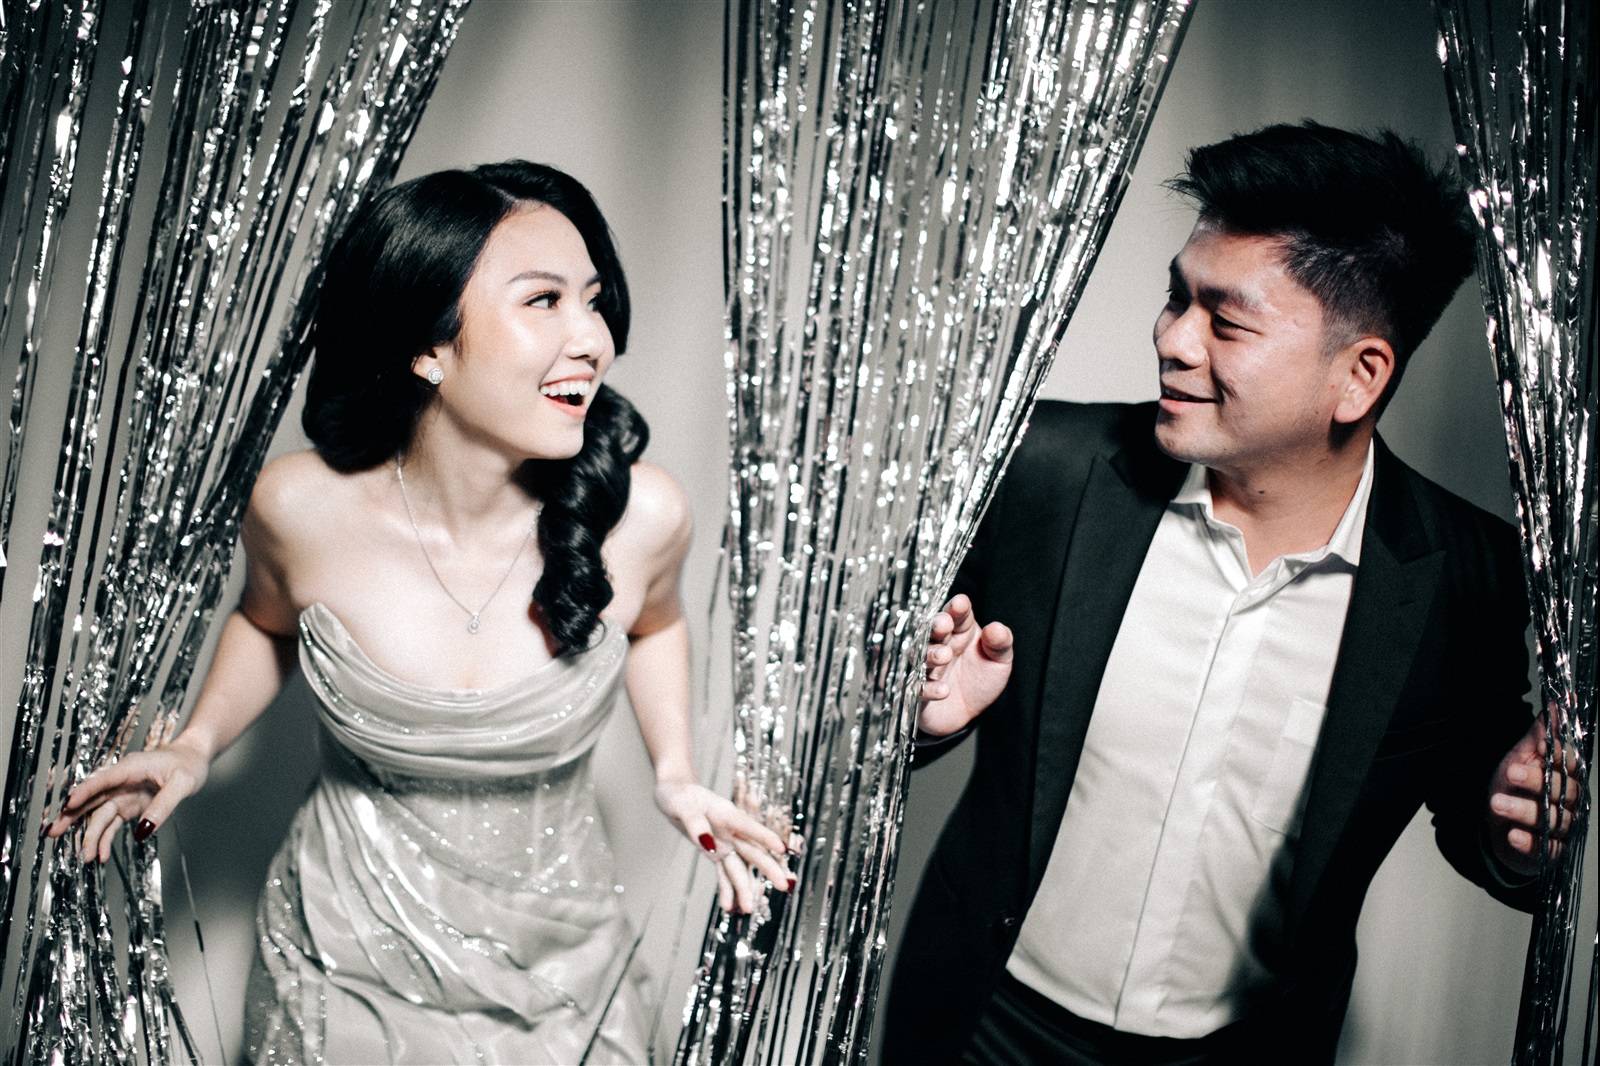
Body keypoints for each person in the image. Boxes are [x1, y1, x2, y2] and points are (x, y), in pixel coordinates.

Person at [47, 161, 795, 1064]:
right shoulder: (300, 509)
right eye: (544, 301)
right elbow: (265, 619)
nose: (593, 340)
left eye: (593, 302)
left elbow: (657, 622)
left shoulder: (641, 517)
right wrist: (195, 745)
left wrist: (675, 772)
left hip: (562, 973)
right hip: (340, 966)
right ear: (427, 347)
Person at [885, 123, 1581, 1065]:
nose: (1173, 339)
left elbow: (1478, 812)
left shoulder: (1464, 575)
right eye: (1178, 296)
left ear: (1359, 376)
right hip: (988, 1022)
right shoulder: (1044, 470)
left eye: (1227, 320)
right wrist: (919, 714)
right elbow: (898, 703)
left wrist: (1513, 831)